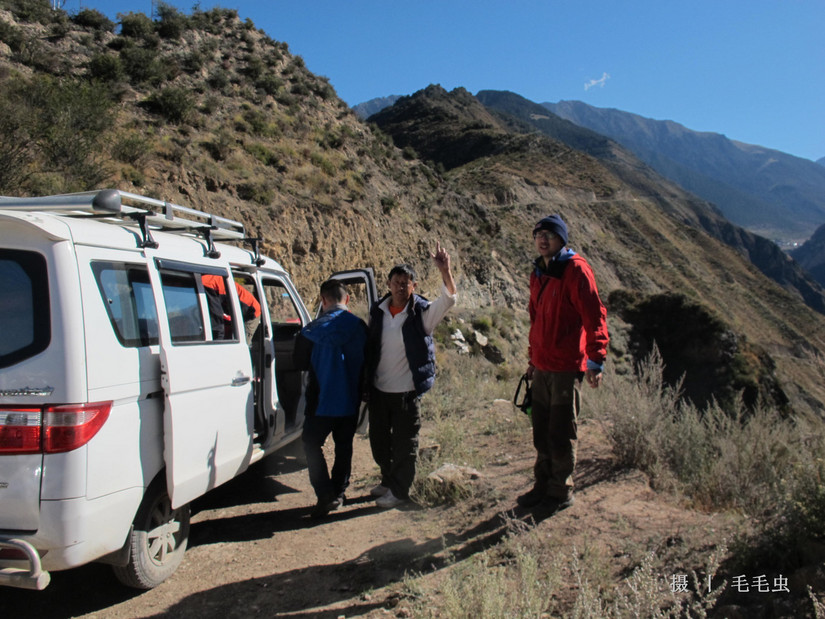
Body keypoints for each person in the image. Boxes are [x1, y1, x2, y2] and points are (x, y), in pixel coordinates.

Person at [519, 215, 609, 519]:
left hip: (566, 367)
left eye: (550, 235)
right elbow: (535, 318)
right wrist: (533, 359)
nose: (543, 240)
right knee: (541, 430)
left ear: (562, 239)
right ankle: (543, 484)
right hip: (543, 366)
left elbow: (594, 316)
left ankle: (560, 491)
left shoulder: (576, 270)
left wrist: (595, 360)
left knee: (560, 431)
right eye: (539, 234)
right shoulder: (540, 272)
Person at [365, 242, 457, 508]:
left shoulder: (422, 315)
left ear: (414, 287)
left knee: (406, 445)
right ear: (389, 284)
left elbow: (449, 300)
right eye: (396, 282)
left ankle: (400, 491)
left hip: (406, 392)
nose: (401, 287)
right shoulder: (378, 311)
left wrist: (445, 271)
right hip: (380, 390)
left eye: (406, 283)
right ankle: (388, 479)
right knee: (379, 442)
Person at [293, 279, 368, 518]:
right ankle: (338, 493)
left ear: (323, 301)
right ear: (347, 299)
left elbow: (299, 364)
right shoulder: (361, 327)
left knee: (311, 444)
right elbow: (370, 362)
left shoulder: (310, 331)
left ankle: (325, 494)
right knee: (344, 447)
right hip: (349, 400)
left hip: (320, 402)